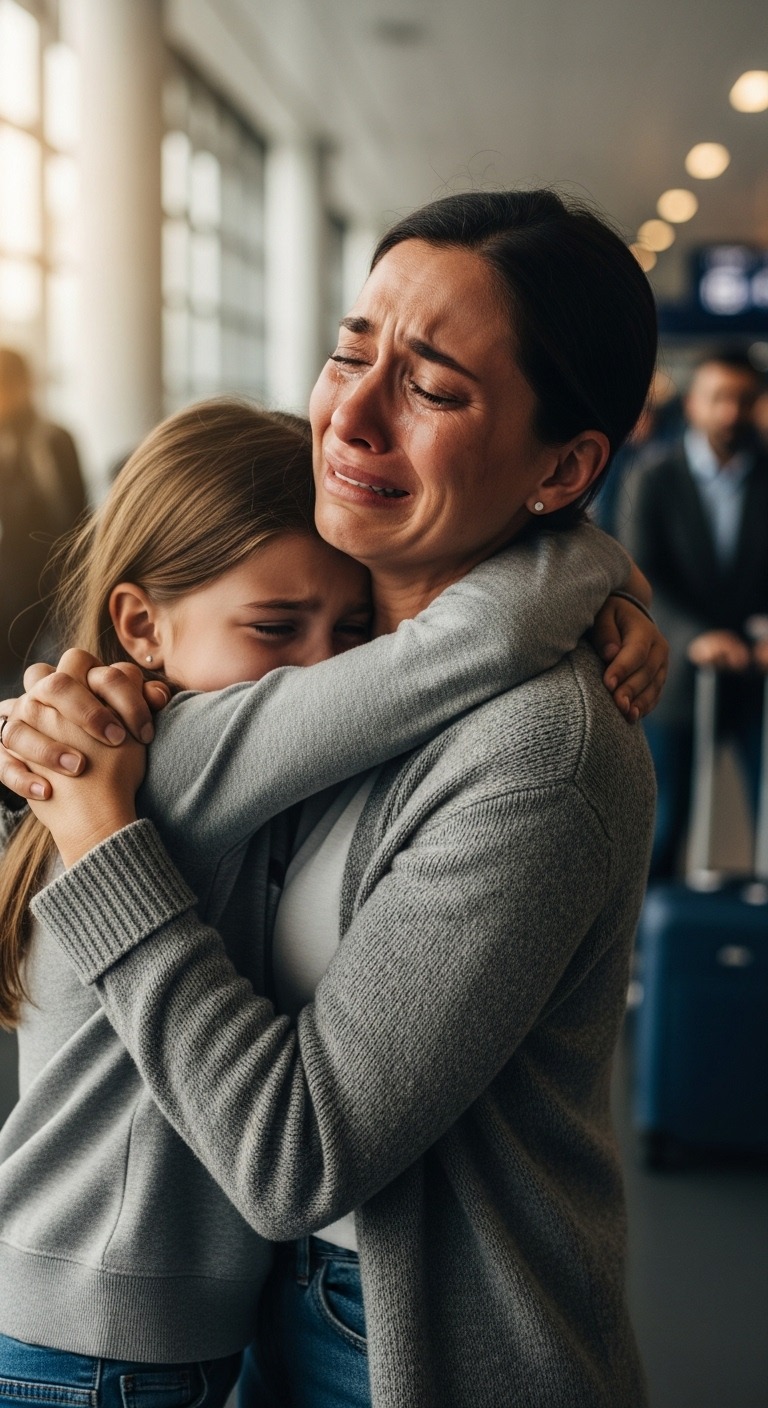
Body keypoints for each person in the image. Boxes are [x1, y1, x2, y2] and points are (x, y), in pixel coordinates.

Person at [1, 190, 663, 1408]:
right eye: (352, 351)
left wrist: (584, 574)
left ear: (565, 466)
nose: (351, 414)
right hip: (229, 1316)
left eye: (433, 387)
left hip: (419, 1343)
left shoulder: (541, 752)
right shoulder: (304, 679)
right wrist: (584, 571)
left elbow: (295, 1155)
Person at [619, 348, 768, 878]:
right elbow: (640, 573)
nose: (730, 412)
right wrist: (696, 635)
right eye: (718, 398)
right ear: (694, 403)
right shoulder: (652, 476)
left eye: (743, 399)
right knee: (664, 825)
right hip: (679, 677)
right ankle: (649, 951)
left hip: (758, 676)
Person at [0, 348, 86, 697]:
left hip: (43, 576)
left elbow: (74, 515)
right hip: (9, 575)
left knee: (33, 668)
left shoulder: (51, 439)